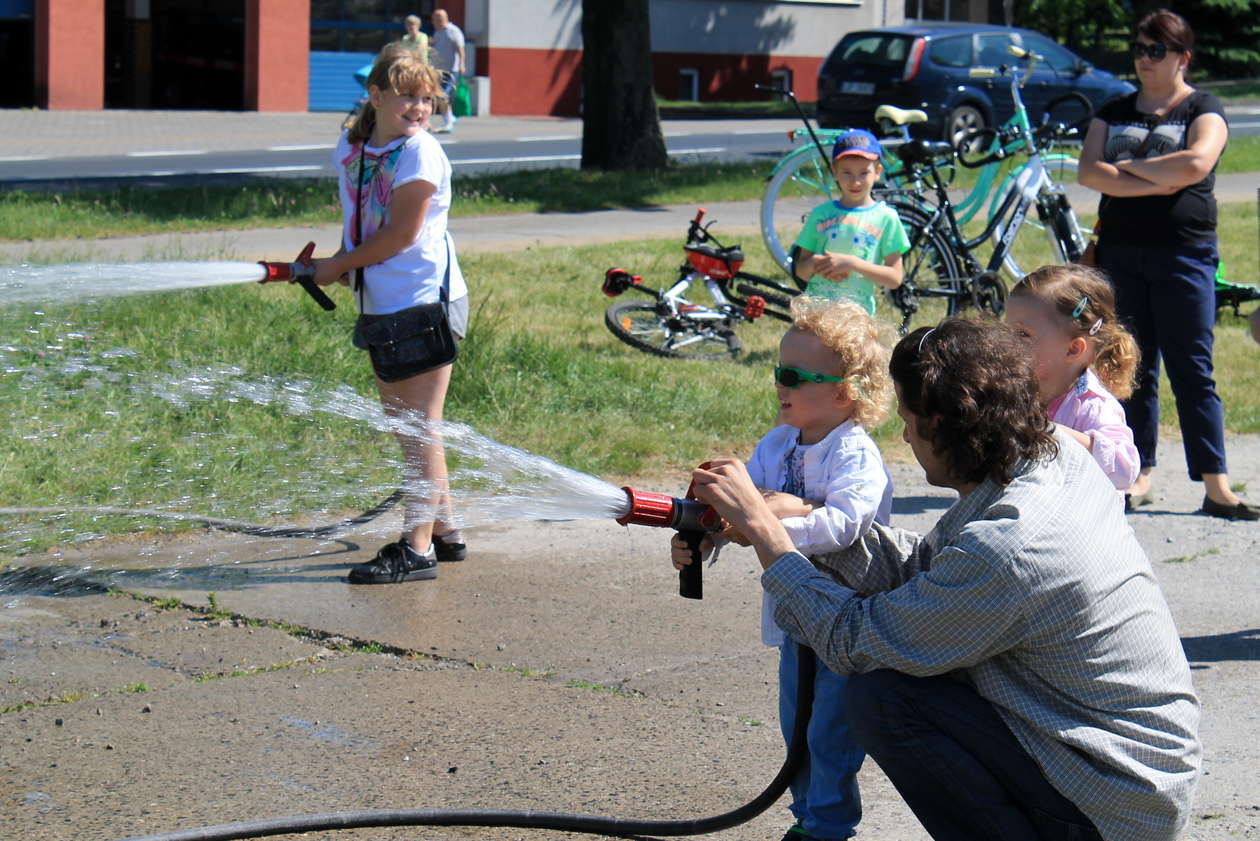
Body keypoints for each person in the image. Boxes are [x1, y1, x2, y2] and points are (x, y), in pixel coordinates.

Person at [674, 318, 1202, 841]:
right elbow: (928, 568)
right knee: (899, 676)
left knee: (883, 696)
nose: (903, 434)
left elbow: (855, 641)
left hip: (1113, 806)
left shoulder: (1009, 549)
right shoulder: (1049, 459)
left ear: (947, 425)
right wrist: (796, 521)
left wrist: (770, 534)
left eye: (908, 418)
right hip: (1123, 768)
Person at [701, 296, 893, 841]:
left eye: (792, 375)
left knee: (830, 732)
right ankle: (806, 814)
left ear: (843, 391)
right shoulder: (777, 443)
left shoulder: (853, 453)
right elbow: (739, 509)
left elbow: (847, 525)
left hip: (844, 619)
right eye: (776, 371)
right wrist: (706, 534)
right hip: (795, 618)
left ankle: (828, 827)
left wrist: (775, 521)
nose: (779, 384)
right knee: (797, 727)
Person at [1078, 9, 1256, 520]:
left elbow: (1197, 163)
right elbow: (1090, 172)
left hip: (1185, 254)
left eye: (1156, 50)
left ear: (1183, 56)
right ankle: (1138, 476)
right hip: (1120, 254)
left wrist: (1127, 168)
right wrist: (1163, 176)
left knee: (1193, 368)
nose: (1144, 59)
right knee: (1133, 367)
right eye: (1139, 48)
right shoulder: (1114, 109)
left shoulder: (1204, 106)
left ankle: (1217, 485)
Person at [311, 47, 470, 583]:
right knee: (411, 427)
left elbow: (402, 234)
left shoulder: (419, 153)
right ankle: (446, 530)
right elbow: (358, 218)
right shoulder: (353, 147)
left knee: (418, 427)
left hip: (426, 301)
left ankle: (417, 547)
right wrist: (340, 264)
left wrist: (338, 266)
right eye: (408, 95)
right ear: (376, 96)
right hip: (382, 300)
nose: (420, 107)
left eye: (428, 98)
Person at [1005, 264, 1141, 497]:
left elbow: (1124, 469)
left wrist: (1053, 434)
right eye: (1007, 330)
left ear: (1073, 350)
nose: (1007, 343)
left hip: (1083, 529)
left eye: (1023, 334)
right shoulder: (1018, 392)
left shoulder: (1092, 407)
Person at [791, 129, 909, 317]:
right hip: (817, 315)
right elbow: (801, 271)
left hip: (858, 318)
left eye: (864, 173)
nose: (855, 181)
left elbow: (895, 278)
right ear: (834, 171)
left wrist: (853, 264)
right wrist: (815, 263)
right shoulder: (820, 214)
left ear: (878, 172)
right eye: (846, 172)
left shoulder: (887, 218)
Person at [429, 8, 465, 134]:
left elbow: (460, 48)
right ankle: (451, 118)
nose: (434, 21)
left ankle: (448, 123)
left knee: (442, 96)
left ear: (443, 19)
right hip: (439, 70)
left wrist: (462, 64)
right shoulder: (438, 32)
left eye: (436, 18)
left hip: (451, 70)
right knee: (440, 95)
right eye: (433, 19)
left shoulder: (453, 31)